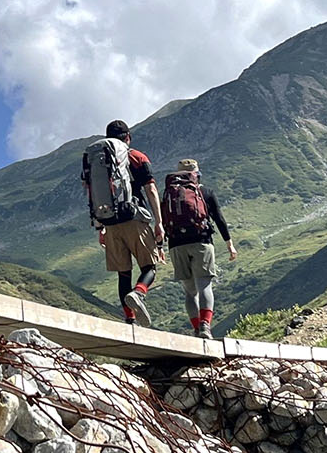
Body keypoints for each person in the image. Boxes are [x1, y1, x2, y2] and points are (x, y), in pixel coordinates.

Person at [80, 119, 165, 325]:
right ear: (128, 137)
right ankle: (139, 292)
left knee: (123, 274)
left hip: (109, 223)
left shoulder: (97, 160)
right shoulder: (136, 156)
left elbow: (90, 192)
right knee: (149, 267)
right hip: (134, 218)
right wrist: (159, 222)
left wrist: (100, 227)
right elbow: (151, 189)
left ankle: (130, 320)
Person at [161, 158, 236, 340]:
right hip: (201, 242)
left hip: (176, 245)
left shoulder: (168, 194)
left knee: (189, 292)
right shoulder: (205, 192)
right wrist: (229, 244)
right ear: (197, 174)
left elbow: (163, 220)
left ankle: (196, 329)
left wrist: (159, 246)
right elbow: (219, 218)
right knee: (204, 286)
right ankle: (205, 326)